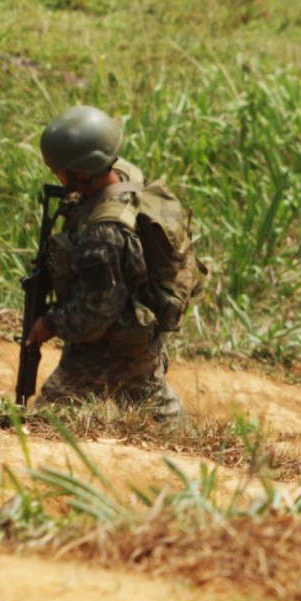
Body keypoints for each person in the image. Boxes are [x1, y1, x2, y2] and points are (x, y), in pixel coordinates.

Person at [24, 105, 188, 426]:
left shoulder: (104, 234)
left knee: (46, 420)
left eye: (61, 169)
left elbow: (96, 314)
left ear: (83, 172)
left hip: (110, 351)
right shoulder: (124, 175)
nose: (56, 175)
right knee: (152, 399)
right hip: (138, 332)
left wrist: (50, 324)